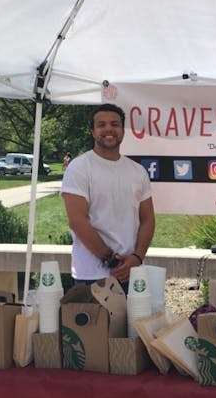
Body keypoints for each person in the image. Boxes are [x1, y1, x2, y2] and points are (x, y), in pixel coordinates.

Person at [60, 104, 154, 289]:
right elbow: (77, 221)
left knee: (134, 319)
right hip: (92, 275)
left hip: (132, 273)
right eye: (101, 125)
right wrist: (111, 260)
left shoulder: (138, 171)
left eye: (114, 124)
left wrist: (137, 257)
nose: (109, 129)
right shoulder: (80, 167)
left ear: (122, 130)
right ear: (92, 131)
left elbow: (148, 219)